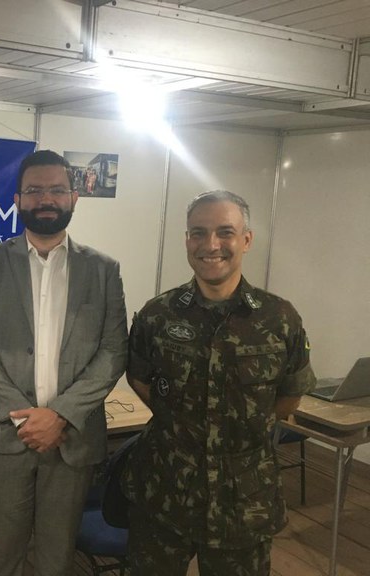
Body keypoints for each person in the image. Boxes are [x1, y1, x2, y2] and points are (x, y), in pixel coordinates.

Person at [121, 190, 317, 575]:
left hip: (243, 499)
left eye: (224, 232)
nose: (211, 245)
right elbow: (139, 378)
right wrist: (181, 424)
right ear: (187, 240)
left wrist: (240, 430)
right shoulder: (157, 315)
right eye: (198, 233)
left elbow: (289, 396)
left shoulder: (280, 319)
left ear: (246, 239)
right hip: (164, 491)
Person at [0, 149, 128, 576]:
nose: (45, 199)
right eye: (35, 190)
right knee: (4, 553)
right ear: (17, 200)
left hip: (72, 439)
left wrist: (60, 416)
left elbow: (113, 352)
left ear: (74, 198)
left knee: (58, 555)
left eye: (56, 189)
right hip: (5, 437)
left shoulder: (104, 270)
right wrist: (25, 416)